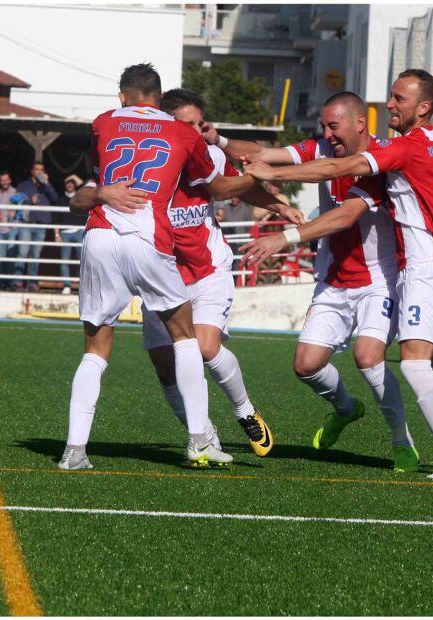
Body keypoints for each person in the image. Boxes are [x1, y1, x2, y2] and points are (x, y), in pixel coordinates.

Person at [241, 70, 433, 480]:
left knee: (412, 366)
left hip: (427, 267)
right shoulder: (430, 144)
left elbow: (342, 166)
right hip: (422, 267)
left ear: (423, 108)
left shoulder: (408, 147)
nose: (389, 105)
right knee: (423, 367)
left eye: (398, 99)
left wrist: (274, 175)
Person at [60, 63, 265, 471]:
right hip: (147, 237)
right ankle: (198, 442)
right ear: (159, 98)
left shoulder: (103, 121)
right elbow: (219, 187)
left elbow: (108, 163)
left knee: (96, 348)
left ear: (123, 96)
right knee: (185, 338)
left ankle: (74, 451)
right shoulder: (183, 134)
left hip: (100, 233)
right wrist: (252, 178)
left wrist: (103, 191)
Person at [213, 91, 420, 472]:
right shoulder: (322, 147)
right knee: (306, 365)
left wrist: (284, 237)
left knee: (368, 357)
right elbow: (263, 153)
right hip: (333, 277)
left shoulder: (381, 160)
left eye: (333, 126)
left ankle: (401, 440)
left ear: (360, 123)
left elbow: (344, 217)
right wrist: (219, 140)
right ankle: (345, 407)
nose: (327, 134)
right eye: (323, 127)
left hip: (378, 280)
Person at [116, 87, 304, 458]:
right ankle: (202, 434)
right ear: (166, 124)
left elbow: (235, 187)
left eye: (201, 125)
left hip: (207, 269)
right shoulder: (146, 161)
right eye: (189, 124)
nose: (197, 132)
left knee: (203, 347)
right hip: (162, 275)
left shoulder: (210, 154)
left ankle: (245, 411)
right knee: (165, 370)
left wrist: (280, 207)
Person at [16, 162, 59, 292]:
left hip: (41, 223)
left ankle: (32, 282)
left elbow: (54, 198)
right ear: (32, 171)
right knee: (22, 253)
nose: (39, 172)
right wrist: (29, 200)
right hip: (27, 222)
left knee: (35, 255)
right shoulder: (24, 185)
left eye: (42, 169)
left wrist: (47, 183)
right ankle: (18, 281)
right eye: (37, 169)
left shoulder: (46, 185)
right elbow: (16, 199)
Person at [53, 174, 88, 295]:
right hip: (64, 233)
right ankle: (66, 286)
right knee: (65, 261)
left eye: (72, 183)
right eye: (67, 183)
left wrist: (74, 177)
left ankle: (83, 286)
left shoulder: (80, 197)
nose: (69, 185)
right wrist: (57, 235)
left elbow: (86, 185)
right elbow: (55, 218)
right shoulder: (60, 199)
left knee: (82, 261)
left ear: (74, 185)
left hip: (79, 232)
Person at [0, 171, 19, 291]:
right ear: (0, 181)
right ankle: (2, 282)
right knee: (0, 257)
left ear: (10, 180)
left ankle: (11, 282)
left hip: (12, 229)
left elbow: (23, 208)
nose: (4, 182)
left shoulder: (16, 192)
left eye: (6, 180)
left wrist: (16, 212)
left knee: (11, 257)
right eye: (2, 180)